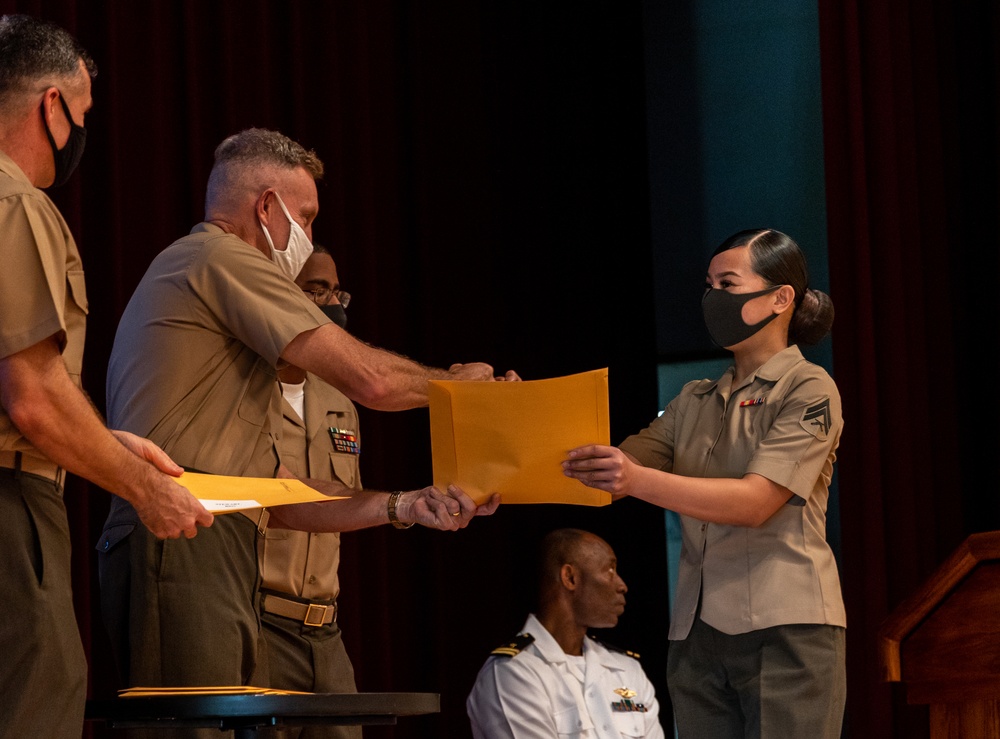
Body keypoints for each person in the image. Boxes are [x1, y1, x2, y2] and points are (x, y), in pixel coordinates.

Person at [96, 127, 511, 734]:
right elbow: (369, 379)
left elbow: (280, 495)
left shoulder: (224, 334)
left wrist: (402, 505)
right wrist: (457, 385)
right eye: (306, 217)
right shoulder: (221, 257)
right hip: (179, 534)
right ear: (266, 207)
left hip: (214, 535)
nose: (309, 240)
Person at [0, 15, 213, 738]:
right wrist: (144, 486)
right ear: (52, 106)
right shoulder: (15, 202)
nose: (84, 132)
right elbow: (31, 398)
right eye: (84, 114)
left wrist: (108, 439)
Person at [563, 228, 846, 738]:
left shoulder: (808, 386)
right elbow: (609, 472)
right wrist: (517, 432)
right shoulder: (693, 398)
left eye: (729, 284)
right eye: (709, 285)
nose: (713, 298)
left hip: (786, 629)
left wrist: (637, 479)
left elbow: (757, 501)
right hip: (697, 632)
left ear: (781, 298)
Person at [258, 243, 411, 739]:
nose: (333, 305)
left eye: (336, 291)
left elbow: (347, 503)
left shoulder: (339, 400)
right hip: (258, 624)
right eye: (316, 290)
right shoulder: (244, 390)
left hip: (326, 630)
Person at [466, 528, 665, 739]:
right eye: (610, 570)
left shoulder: (626, 669)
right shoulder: (513, 672)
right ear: (570, 577)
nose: (622, 585)